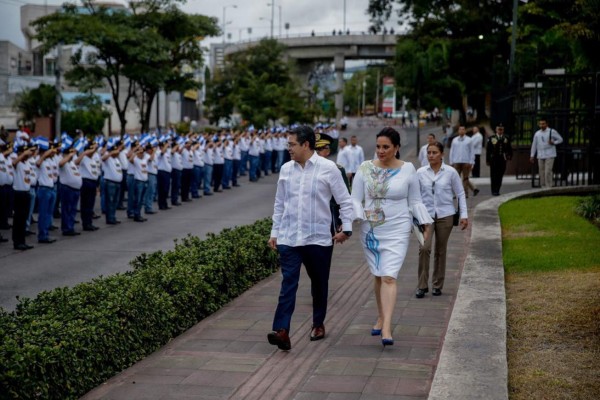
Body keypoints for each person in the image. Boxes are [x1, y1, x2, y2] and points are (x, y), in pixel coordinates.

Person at [267, 125, 354, 351]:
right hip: (289, 238)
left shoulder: (329, 169)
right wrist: (275, 232)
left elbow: (344, 200)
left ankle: (318, 323)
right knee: (288, 284)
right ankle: (282, 330)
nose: (289, 148)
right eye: (288, 144)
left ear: (306, 144)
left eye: (292, 144)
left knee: (319, 284)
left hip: (318, 239)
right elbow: (279, 204)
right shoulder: (286, 169)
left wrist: (347, 228)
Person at [351, 127, 432, 347]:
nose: (381, 151)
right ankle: (380, 316)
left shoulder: (408, 169)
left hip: (398, 228)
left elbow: (415, 200)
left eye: (386, 147)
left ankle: (387, 326)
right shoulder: (365, 168)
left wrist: (425, 223)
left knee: (389, 276)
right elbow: (355, 199)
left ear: (396, 148)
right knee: (378, 274)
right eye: (378, 146)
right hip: (372, 230)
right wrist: (355, 218)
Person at [416, 141, 468, 298]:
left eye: (434, 152)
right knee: (424, 248)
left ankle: (437, 284)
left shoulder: (450, 172)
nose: (431, 155)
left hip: (446, 215)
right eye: (429, 152)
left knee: (440, 250)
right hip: (426, 216)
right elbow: (415, 196)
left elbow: (460, 193)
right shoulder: (420, 172)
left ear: (442, 155)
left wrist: (464, 215)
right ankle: (422, 285)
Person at [315, 133, 350, 236]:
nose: (317, 153)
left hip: (328, 216)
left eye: (320, 149)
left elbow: (343, 199)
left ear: (328, 151)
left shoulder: (337, 169)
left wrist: (342, 222)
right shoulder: (303, 169)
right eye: (314, 150)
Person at [11, 143, 35, 250]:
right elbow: (14, 162)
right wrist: (23, 154)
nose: (27, 154)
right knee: (18, 219)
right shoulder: (18, 163)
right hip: (19, 193)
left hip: (26, 193)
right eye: (24, 152)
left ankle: (22, 241)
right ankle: (17, 242)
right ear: (20, 152)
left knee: (24, 218)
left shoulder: (27, 163)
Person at [530, 118, 563, 188]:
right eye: (540, 124)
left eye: (543, 124)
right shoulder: (537, 133)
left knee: (548, 171)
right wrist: (532, 155)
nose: (542, 125)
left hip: (550, 154)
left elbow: (560, 139)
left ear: (546, 124)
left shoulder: (552, 131)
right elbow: (534, 145)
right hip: (540, 155)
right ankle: (543, 186)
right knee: (541, 172)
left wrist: (554, 142)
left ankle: (549, 186)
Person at [449, 126, 479, 197]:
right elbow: (452, 151)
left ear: (465, 131)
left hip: (466, 161)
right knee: (455, 179)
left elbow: (472, 151)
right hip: (456, 161)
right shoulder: (455, 140)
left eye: (463, 129)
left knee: (465, 178)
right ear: (458, 131)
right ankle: (456, 194)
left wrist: (472, 162)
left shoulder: (469, 140)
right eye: (460, 129)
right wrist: (451, 161)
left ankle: (465, 194)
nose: (461, 131)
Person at [486, 124, 513, 196]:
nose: (500, 131)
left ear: (503, 130)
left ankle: (497, 189)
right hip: (494, 159)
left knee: (500, 174)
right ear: (496, 130)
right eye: (499, 129)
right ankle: (494, 190)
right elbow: (488, 150)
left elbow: (509, 148)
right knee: (493, 175)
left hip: (502, 159)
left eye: (501, 129)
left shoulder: (506, 138)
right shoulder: (492, 138)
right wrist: (488, 160)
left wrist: (509, 156)